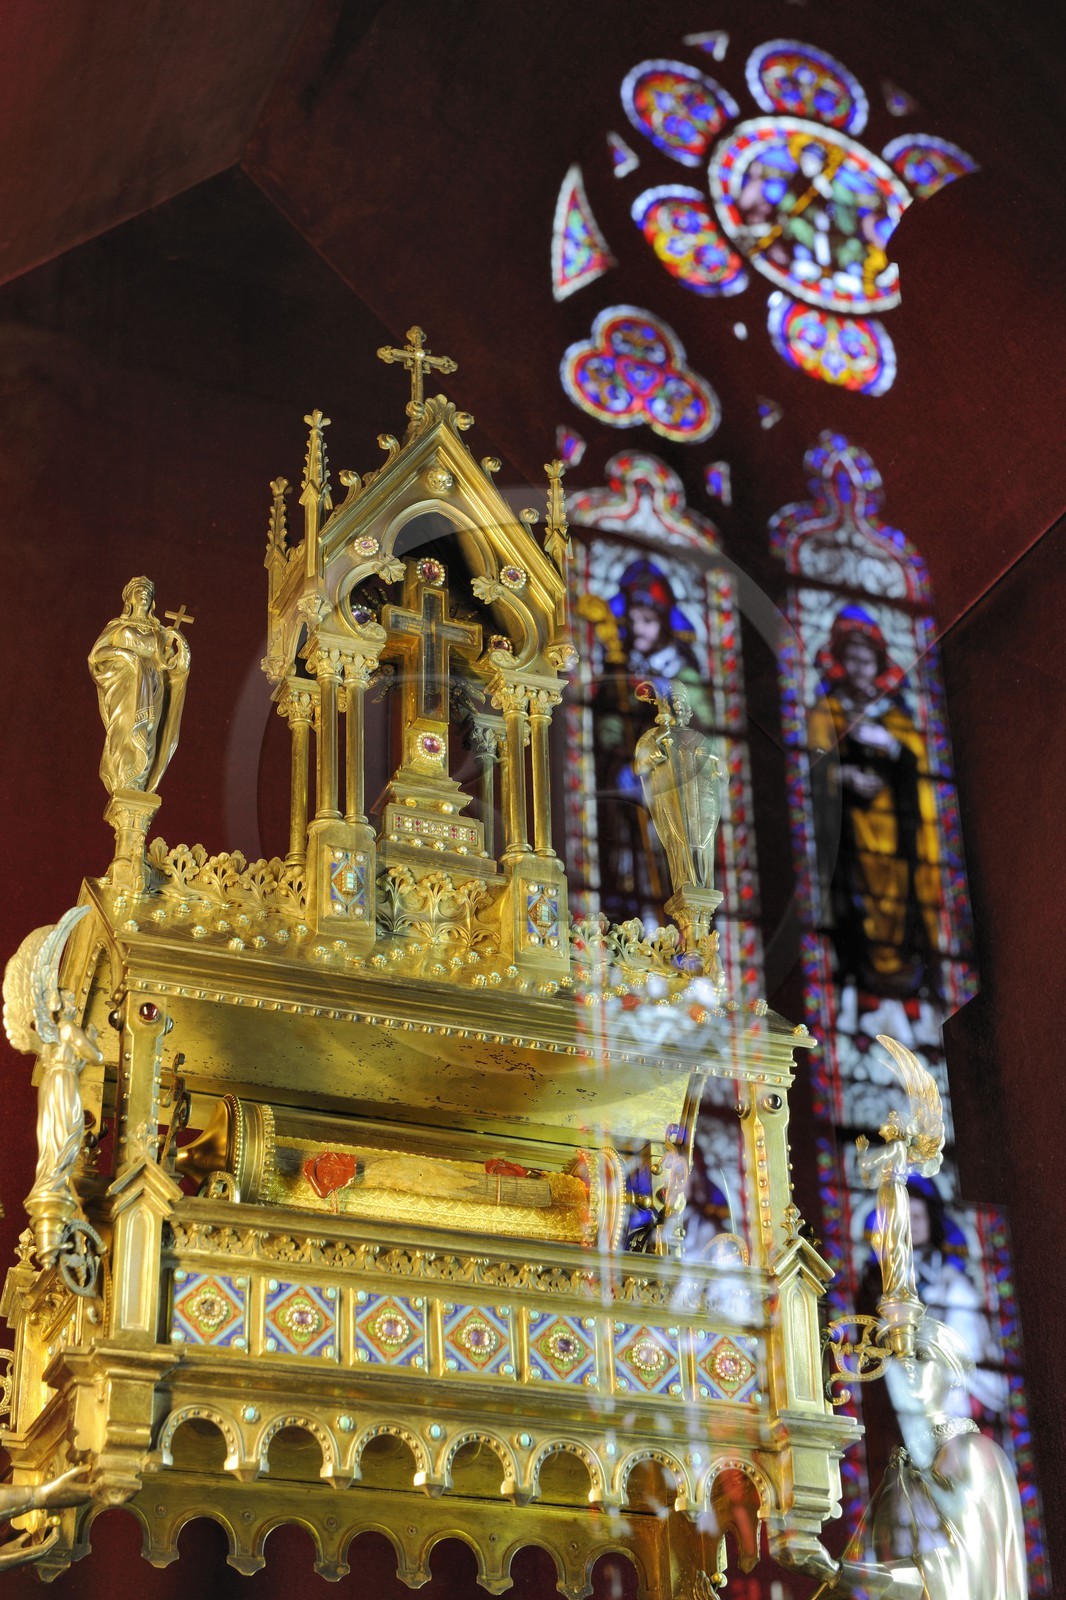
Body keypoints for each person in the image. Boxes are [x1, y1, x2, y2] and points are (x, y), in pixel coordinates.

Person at [810, 1317, 1027, 1599]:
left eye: (921, 1355)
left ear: (953, 1378)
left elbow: (952, 1577)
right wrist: (828, 1573)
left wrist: (835, 1572)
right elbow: (868, 1568)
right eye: (902, 1358)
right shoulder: (900, 1469)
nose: (907, 1365)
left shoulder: (973, 1453)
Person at [808, 606, 942, 999]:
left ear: (878, 663)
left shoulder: (894, 715)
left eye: (866, 660)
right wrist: (841, 775)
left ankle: (900, 964)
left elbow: (918, 766)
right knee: (857, 890)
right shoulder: (827, 711)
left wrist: (894, 746)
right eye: (851, 659)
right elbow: (814, 764)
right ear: (840, 662)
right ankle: (862, 964)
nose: (859, 667)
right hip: (851, 827)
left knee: (898, 889)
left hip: (895, 825)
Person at [88, 577, 190, 795]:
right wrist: (125, 655)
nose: (143, 593)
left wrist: (182, 647)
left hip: (153, 688)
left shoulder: (158, 632)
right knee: (125, 731)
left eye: (147, 591)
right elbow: (95, 656)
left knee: (149, 731)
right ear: (129, 599)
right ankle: (125, 783)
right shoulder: (117, 627)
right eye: (138, 590)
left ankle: (139, 785)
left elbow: (169, 666)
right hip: (125, 689)